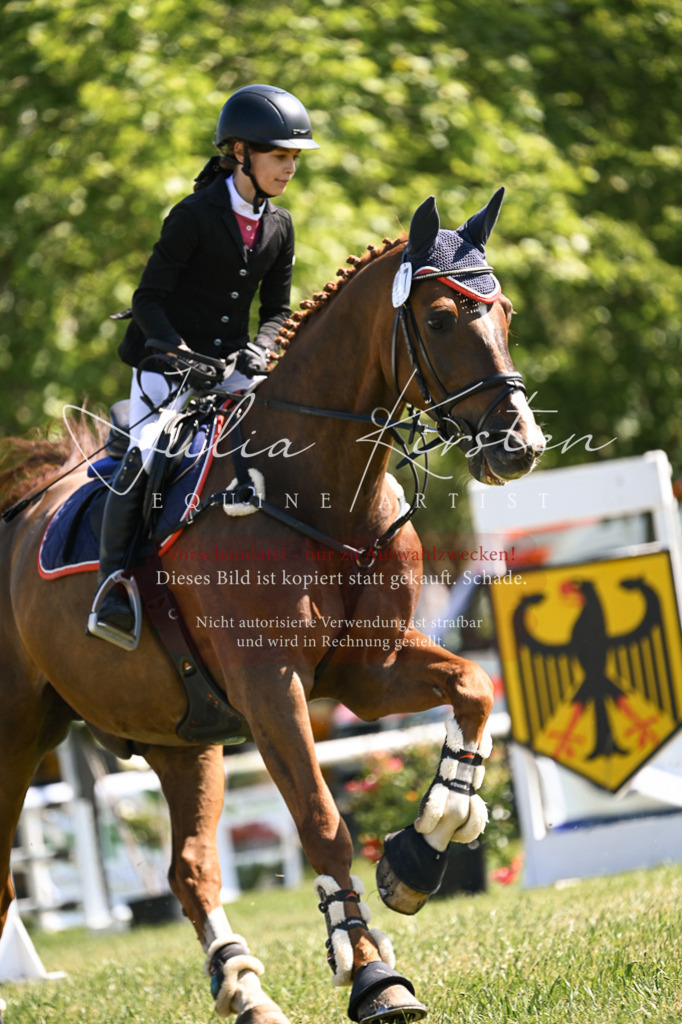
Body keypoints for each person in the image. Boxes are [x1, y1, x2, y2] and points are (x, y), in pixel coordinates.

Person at [88, 84, 319, 646]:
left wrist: (261, 350)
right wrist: (181, 355)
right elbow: (147, 301)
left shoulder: (280, 226)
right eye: (279, 156)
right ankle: (113, 585)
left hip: (232, 367)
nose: (289, 168)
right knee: (150, 452)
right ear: (240, 153)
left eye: (293, 158)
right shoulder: (192, 215)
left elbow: (279, 310)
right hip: (164, 367)